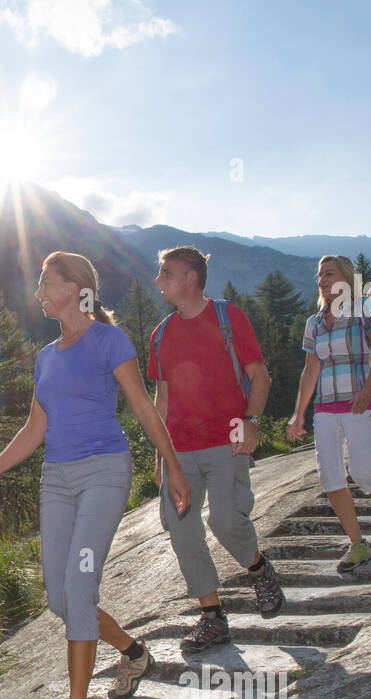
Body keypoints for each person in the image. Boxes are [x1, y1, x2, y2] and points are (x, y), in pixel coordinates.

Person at [0, 251, 191, 699]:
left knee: (80, 584)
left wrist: (172, 464)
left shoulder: (108, 340)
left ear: (76, 288)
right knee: (61, 599)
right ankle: (133, 652)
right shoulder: (46, 356)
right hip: (57, 479)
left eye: (47, 282)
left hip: (104, 473)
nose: (40, 292)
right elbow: (35, 428)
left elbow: (141, 406)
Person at [147, 245, 285, 653]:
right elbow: (162, 399)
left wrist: (253, 422)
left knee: (225, 521)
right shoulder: (161, 334)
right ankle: (212, 617)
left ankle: (257, 568)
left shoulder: (229, 317)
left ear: (192, 277)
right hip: (179, 452)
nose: (159, 281)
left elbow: (259, 376)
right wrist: (161, 457)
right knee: (182, 529)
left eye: (167, 273)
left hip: (227, 441)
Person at [286, 255, 371, 572]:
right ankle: (359, 545)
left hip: (361, 402)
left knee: (365, 472)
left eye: (329, 273)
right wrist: (299, 413)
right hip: (326, 409)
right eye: (319, 276)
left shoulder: (365, 308)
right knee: (330, 477)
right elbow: (310, 370)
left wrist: (369, 389)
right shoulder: (314, 323)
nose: (322, 280)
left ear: (347, 277)